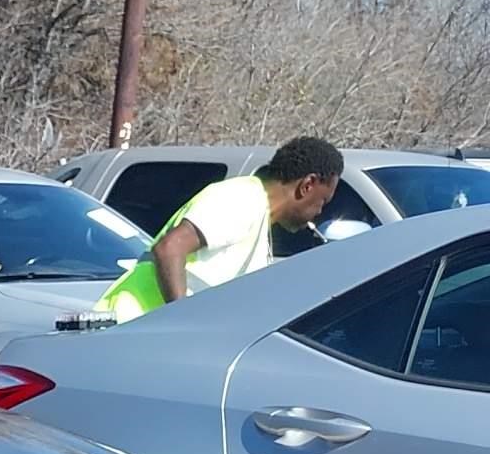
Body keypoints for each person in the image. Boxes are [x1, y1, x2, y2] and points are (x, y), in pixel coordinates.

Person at [103, 136, 345, 320]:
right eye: (323, 202)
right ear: (307, 185)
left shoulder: (258, 215)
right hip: (130, 326)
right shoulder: (243, 198)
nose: (319, 212)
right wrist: (182, 323)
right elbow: (169, 248)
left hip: (144, 338)